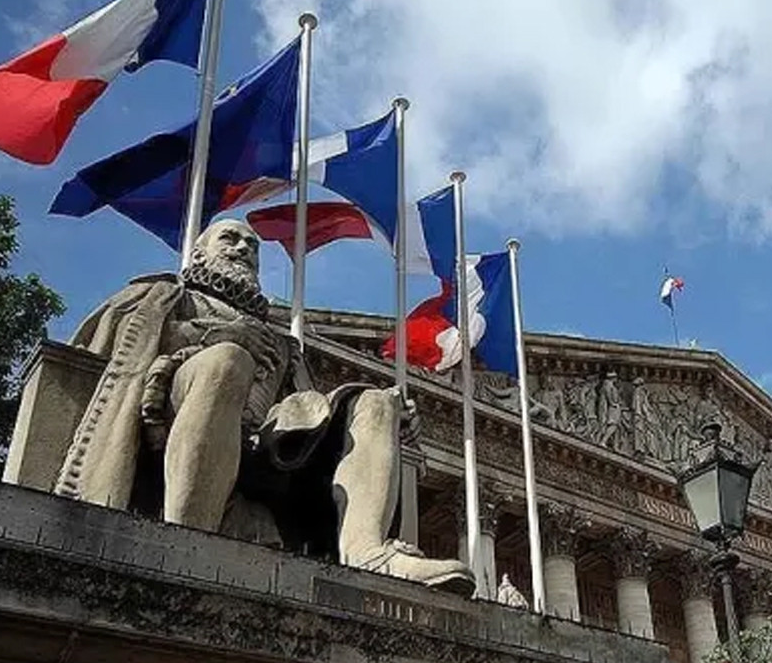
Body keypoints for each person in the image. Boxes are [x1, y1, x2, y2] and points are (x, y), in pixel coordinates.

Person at [53, 220, 473, 594]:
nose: (242, 249)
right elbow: (119, 348)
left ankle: (367, 551)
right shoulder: (166, 298)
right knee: (227, 360)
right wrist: (216, 336)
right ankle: (187, 539)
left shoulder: (282, 343)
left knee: (376, 401)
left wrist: (387, 424)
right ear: (199, 253)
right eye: (229, 239)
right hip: (170, 414)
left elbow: (305, 411)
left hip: (263, 446)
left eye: (251, 245)